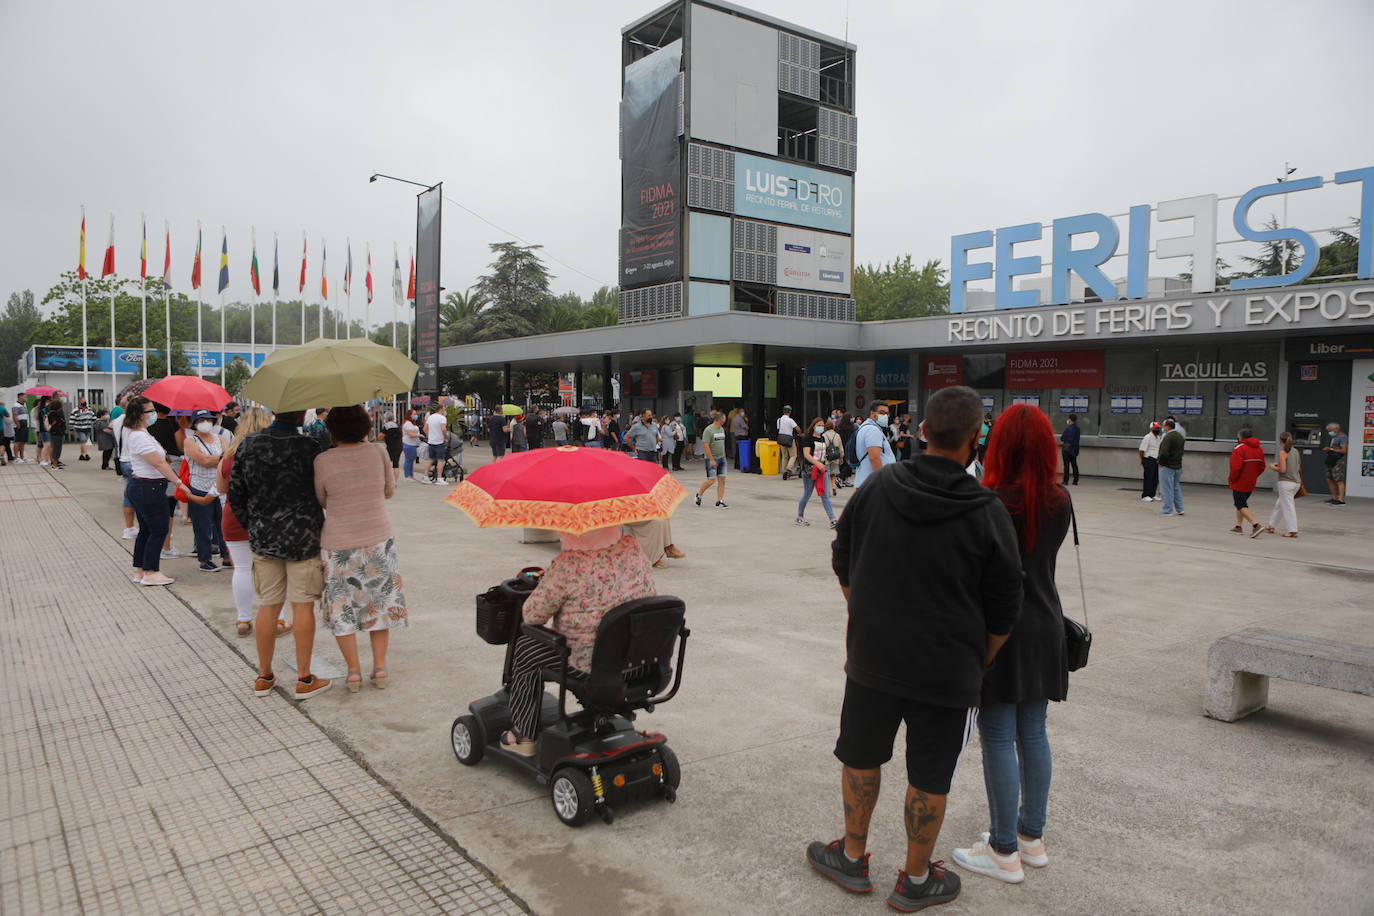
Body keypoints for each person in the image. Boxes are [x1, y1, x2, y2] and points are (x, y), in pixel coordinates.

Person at [812, 385, 1022, 912]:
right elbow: (1005, 606)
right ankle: (915, 878)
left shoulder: (879, 488)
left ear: (922, 432)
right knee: (930, 774)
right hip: (948, 670)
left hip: (872, 659)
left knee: (860, 755)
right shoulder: (987, 510)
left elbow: (843, 556)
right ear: (977, 439)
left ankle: (853, 858)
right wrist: (984, 656)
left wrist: (862, 616)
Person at [950, 403, 1071, 886]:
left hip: (1000, 629)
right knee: (1034, 732)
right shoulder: (1060, 500)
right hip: (1047, 625)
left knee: (998, 734)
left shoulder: (988, 500)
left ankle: (1002, 849)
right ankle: (1030, 838)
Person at [499, 526, 656, 754]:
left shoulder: (568, 564)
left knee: (526, 647)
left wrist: (544, 586)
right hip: (639, 662)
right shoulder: (634, 550)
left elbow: (532, 616)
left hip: (593, 666)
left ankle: (523, 734)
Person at [226, 407, 330, 700]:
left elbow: (235, 493)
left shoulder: (248, 444)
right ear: (300, 416)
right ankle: (304, 678)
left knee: (268, 606)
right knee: (302, 606)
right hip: (303, 537)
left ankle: (264, 675)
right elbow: (321, 491)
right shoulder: (309, 447)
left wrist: (255, 524)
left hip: (264, 539)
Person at [314, 405, 408, 693]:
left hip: (338, 542)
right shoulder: (379, 452)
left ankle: (353, 673)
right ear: (366, 427)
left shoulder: (322, 460)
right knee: (378, 602)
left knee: (342, 607)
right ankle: (379, 668)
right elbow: (389, 491)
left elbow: (322, 499)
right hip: (378, 538)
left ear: (332, 431)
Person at [216, 407, 288, 638]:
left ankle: (243, 620)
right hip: (267, 518)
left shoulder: (227, 456)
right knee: (275, 571)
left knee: (243, 569)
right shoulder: (273, 455)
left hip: (234, 516)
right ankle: (278, 619)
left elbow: (220, 489)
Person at [123, 396, 191, 587]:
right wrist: (178, 482)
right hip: (148, 487)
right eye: (150, 411)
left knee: (146, 529)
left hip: (147, 486)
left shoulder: (142, 432)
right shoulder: (137, 435)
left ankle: (140, 569)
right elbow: (159, 463)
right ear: (139, 414)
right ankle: (151, 571)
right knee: (159, 528)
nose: (153, 414)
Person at [183, 409, 229, 572]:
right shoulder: (190, 441)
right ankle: (204, 559)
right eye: (201, 420)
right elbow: (202, 460)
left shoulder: (220, 438)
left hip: (219, 486)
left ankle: (227, 556)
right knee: (202, 525)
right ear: (194, 423)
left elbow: (227, 459)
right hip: (199, 487)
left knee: (223, 523)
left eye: (208, 419)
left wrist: (217, 460)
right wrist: (220, 458)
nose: (206, 423)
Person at [795, 417, 837, 528]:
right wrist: (817, 463)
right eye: (818, 425)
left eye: (822, 425)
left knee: (825, 495)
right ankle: (800, 516)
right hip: (810, 470)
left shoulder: (823, 438)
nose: (820, 427)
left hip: (822, 470)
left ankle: (832, 519)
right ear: (813, 426)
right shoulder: (807, 438)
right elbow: (807, 454)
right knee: (807, 494)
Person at [1262, 432, 1303, 538]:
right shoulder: (1296, 451)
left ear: (1280, 441)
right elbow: (1298, 468)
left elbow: (1283, 470)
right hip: (1296, 482)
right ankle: (1271, 525)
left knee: (1288, 506)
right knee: (1280, 504)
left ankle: (1292, 530)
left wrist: (1272, 467)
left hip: (1285, 482)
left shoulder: (1282, 452)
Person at [1229, 427, 1266, 536]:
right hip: (1251, 480)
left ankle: (1256, 525)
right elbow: (1262, 466)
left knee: (1239, 503)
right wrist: (1254, 475)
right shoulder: (1259, 448)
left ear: (1240, 437)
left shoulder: (1239, 448)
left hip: (1240, 481)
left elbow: (1235, 467)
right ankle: (1238, 526)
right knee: (1241, 503)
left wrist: (1232, 479)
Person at [853, 400, 895, 489]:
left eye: (887, 413)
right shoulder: (872, 430)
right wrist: (881, 482)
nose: (885, 416)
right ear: (872, 413)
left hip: (866, 481)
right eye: (882, 413)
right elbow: (875, 458)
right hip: (872, 484)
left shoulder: (865, 427)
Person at [694, 411, 729, 508]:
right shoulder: (708, 430)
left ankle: (719, 501)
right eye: (724, 419)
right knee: (711, 480)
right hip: (712, 458)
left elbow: (722, 444)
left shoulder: (721, 429)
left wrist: (724, 455)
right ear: (719, 419)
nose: (724, 421)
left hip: (721, 458)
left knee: (722, 480)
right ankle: (699, 494)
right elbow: (706, 445)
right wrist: (711, 459)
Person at [1155, 419, 1185, 516]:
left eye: (1163, 426)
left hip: (1167, 466)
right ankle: (1180, 509)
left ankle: (1167, 510)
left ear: (1168, 427)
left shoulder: (1168, 437)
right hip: (1178, 465)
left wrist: (1160, 462)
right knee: (1176, 487)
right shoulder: (1180, 436)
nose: (1162, 428)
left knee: (1166, 489)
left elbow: (1164, 452)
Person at [1322, 422, 1348, 505]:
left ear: (1336, 429)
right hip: (1331, 459)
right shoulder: (1335, 437)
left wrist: (1331, 449)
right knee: (1329, 478)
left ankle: (1341, 500)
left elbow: (1344, 450)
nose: (1330, 433)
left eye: (1330, 431)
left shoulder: (1343, 437)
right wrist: (1329, 450)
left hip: (1338, 460)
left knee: (1339, 479)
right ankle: (1334, 497)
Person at [1137, 421, 1162, 502]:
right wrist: (1142, 460)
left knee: (1155, 478)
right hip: (1148, 459)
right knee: (1148, 478)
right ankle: (1145, 495)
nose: (1157, 429)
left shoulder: (1158, 437)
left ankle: (1152, 494)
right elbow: (1141, 450)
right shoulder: (1147, 437)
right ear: (1151, 428)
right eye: (1156, 428)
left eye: (1158, 428)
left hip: (1156, 460)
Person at [424, 404, 448, 482]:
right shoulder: (442, 418)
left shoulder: (430, 417)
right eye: (444, 409)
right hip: (439, 441)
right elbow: (443, 429)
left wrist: (429, 436)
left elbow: (425, 429)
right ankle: (439, 478)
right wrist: (445, 437)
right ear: (440, 409)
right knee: (440, 460)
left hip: (431, 441)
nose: (444, 411)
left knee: (430, 459)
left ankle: (425, 476)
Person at [776, 406, 799, 480]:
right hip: (789, 439)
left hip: (781, 439)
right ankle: (789, 468)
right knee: (793, 455)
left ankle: (784, 471)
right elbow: (797, 428)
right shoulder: (790, 420)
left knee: (784, 456)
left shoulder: (779, 420)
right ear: (789, 412)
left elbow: (778, 428)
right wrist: (800, 433)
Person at [381, 411, 403, 484]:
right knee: (396, 464)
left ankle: (386, 480)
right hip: (399, 446)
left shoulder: (386, 426)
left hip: (390, 447)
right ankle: (394, 482)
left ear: (386, 419)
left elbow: (380, 436)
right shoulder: (398, 425)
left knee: (386, 463)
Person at [46, 397, 68, 469]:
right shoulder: (55, 413)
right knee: (57, 448)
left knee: (56, 447)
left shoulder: (51, 412)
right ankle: (55, 465)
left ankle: (55, 463)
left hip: (55, 432)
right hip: (57, 432)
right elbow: (60, 421)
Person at [1059, 414, 1081, 486]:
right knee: (1074, 464)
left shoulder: (1068, 429)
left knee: (1066, 465)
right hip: (1074, 449)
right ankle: (1075, 480)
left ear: (1070, 420)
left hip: (1066, 449)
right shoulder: (1077, 429)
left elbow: (1062, 438)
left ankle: (1066, 480)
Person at [401, 410, 422, 481]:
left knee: (411, 461)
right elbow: (410, 434)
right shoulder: (408, 424)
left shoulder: (412, 423)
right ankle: (407, 476)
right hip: (409, 444)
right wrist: (419, 435)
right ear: (409, 415)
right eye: (414, 414)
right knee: (408, 460)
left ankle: (411, 475)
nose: (416, 415)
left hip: (414, 444)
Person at [11, 397, 29, 463]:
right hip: (19, 425)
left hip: (25, 425)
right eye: (24, 396)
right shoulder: (16, 405)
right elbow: (14, 415)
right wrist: (17, 424)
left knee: (23, 441)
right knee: (17, 441)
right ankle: (16, 458)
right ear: (20, 397)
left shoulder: (24, 405)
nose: (26, 398)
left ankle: (22, 457)